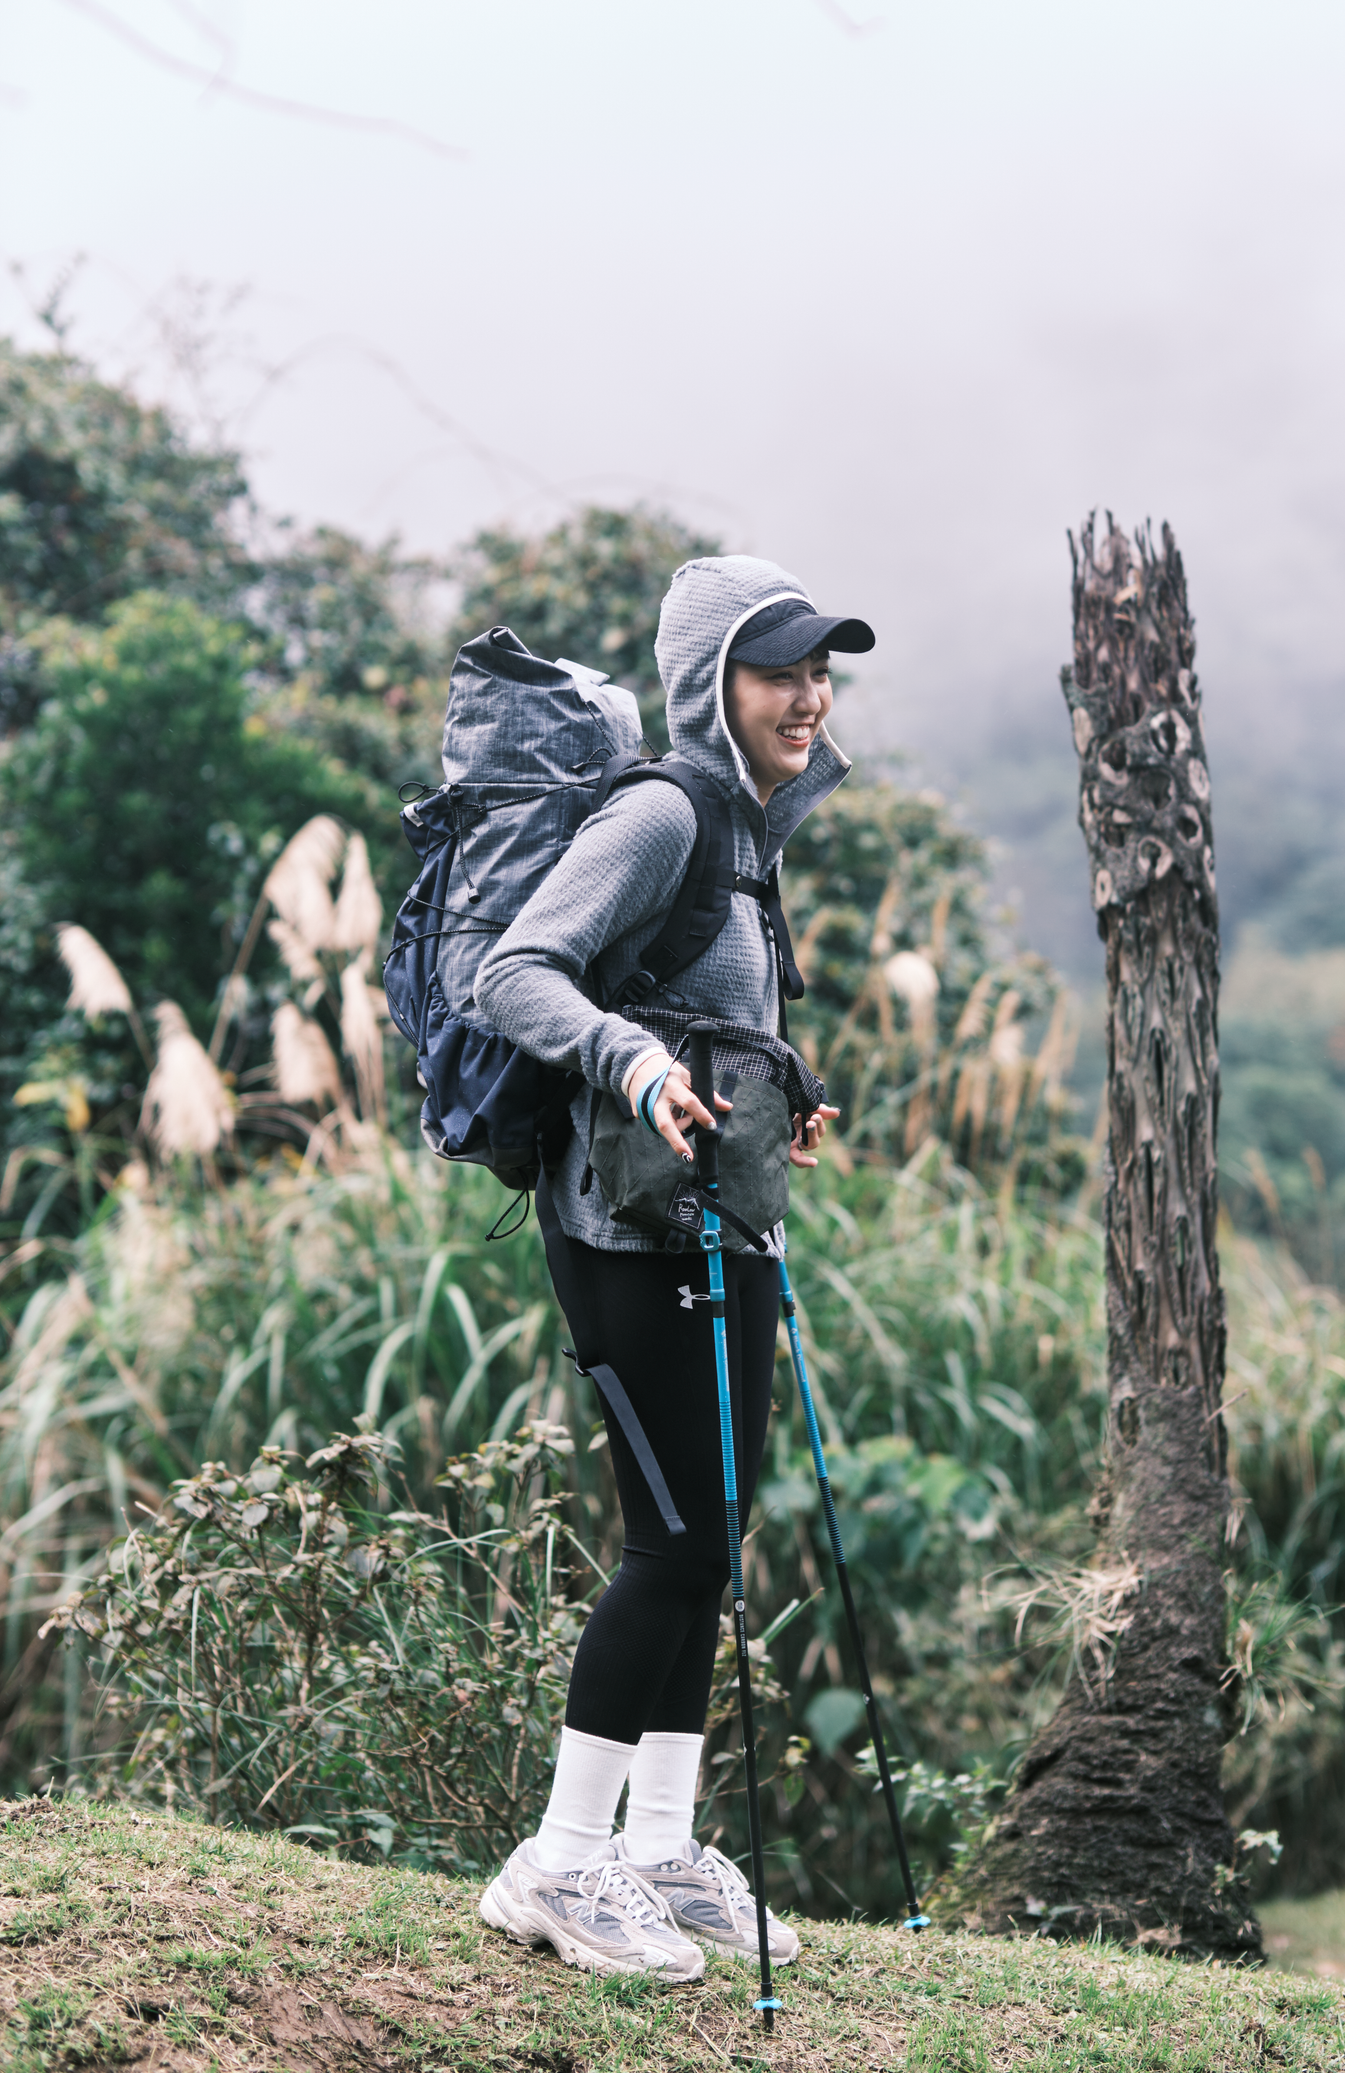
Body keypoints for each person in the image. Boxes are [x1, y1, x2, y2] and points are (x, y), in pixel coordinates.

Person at [474, 553, 873, 1979]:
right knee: (677, 1544)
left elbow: (718, 1005)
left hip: (727, 1220)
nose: (809, 698)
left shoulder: (755, 836)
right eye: (780, 673)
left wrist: (787, 1089)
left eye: (820, 673)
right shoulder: (664, 813)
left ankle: (657, 1848)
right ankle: (557, 1864)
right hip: (625, 1228)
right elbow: (516, 971)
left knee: (716, 1540)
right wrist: (636, 1067)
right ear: (712, 683)